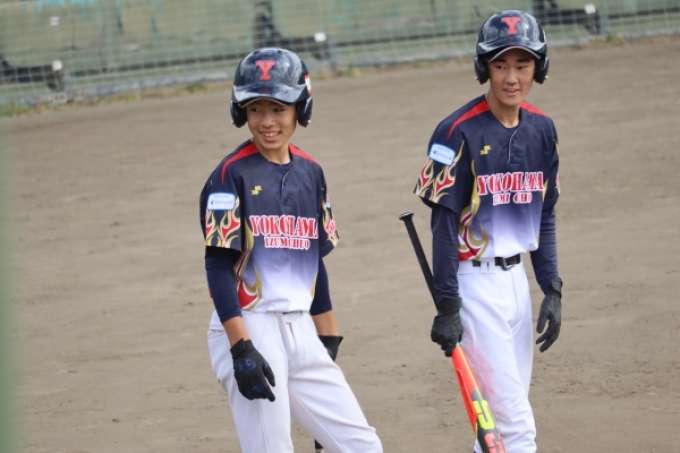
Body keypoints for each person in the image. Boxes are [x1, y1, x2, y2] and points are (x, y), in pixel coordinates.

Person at [199, 47, 383, 453]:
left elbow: (312, 260)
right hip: (251, 324)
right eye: (255, 109)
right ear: (241, 112)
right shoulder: (229, 175)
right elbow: (217, 265)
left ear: (301, 106)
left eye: (279, 108)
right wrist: (240, 347)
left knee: (362, 445)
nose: (267, 121)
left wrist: (328, 335)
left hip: (301, 328)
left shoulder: (311, 173)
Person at [413, 10, 563, 453]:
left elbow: (545, 214)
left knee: (495, 427)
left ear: (538, 67)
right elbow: (442, 225)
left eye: (522, 64)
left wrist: (551, 286)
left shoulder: (543, 130)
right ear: (485, 68)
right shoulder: (455, 132)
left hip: (517, 286)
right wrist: (448, 305)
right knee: (515, 428)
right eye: (500, 65)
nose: (511, 77)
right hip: (474, 288)